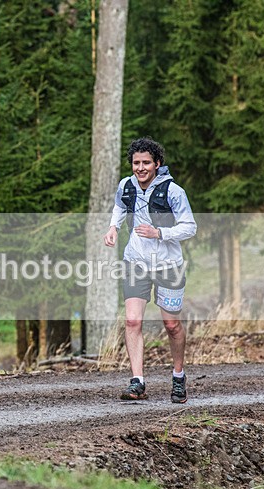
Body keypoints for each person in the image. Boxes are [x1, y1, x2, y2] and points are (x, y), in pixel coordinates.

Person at [103, 137, 197, 403]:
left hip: (169, 265)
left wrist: (160, 232)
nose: (140, 168)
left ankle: (178, 376)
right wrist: (113, 227)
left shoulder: (173, 191)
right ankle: (138, 382)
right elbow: (120, 207)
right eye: (136, 163)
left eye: (146, 163)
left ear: (157, 164)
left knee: (171, 325)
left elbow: (190, 227)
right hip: (136, 261)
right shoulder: (125, 185)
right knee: (133, 321)